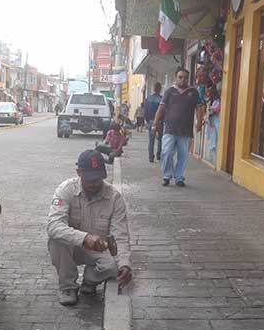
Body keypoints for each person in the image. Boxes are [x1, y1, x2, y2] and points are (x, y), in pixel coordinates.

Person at [47, 150, 133, 306]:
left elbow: (120, 235)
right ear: (79, 172)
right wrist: (84, 238)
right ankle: (67, 287)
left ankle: (90, 281)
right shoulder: (65, 190)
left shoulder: (114, 197)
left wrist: (125, 264)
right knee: (56, 240)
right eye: (90, 179)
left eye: (98, 178)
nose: (94, 184)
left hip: (99, 249)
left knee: (114, 267)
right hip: (72, 247)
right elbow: (53, 226)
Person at [152, 68, 205, 186]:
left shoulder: (193, 92)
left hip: (186, 130)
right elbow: (161, 108)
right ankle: (166, 175)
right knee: (166, 152)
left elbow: (199, 108)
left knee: (183, 155)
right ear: (176, 78)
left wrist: (199, 122)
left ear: (188, 78)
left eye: (185, 77)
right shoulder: (169, 91)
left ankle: (179, 177)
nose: (183, 79)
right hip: (170, 129)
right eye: (180, 77)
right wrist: (154, 123)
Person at [144, 83, 163, 162]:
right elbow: (164, 110)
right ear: (160, 89)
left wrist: (147, 120)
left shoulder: (148, 99)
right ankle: (159, 155)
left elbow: (146, 111)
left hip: (151, 121)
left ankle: (150, 157)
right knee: (160, 139)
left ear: (153, 89)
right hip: (160, 121)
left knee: (151, 140)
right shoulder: (162, 99)